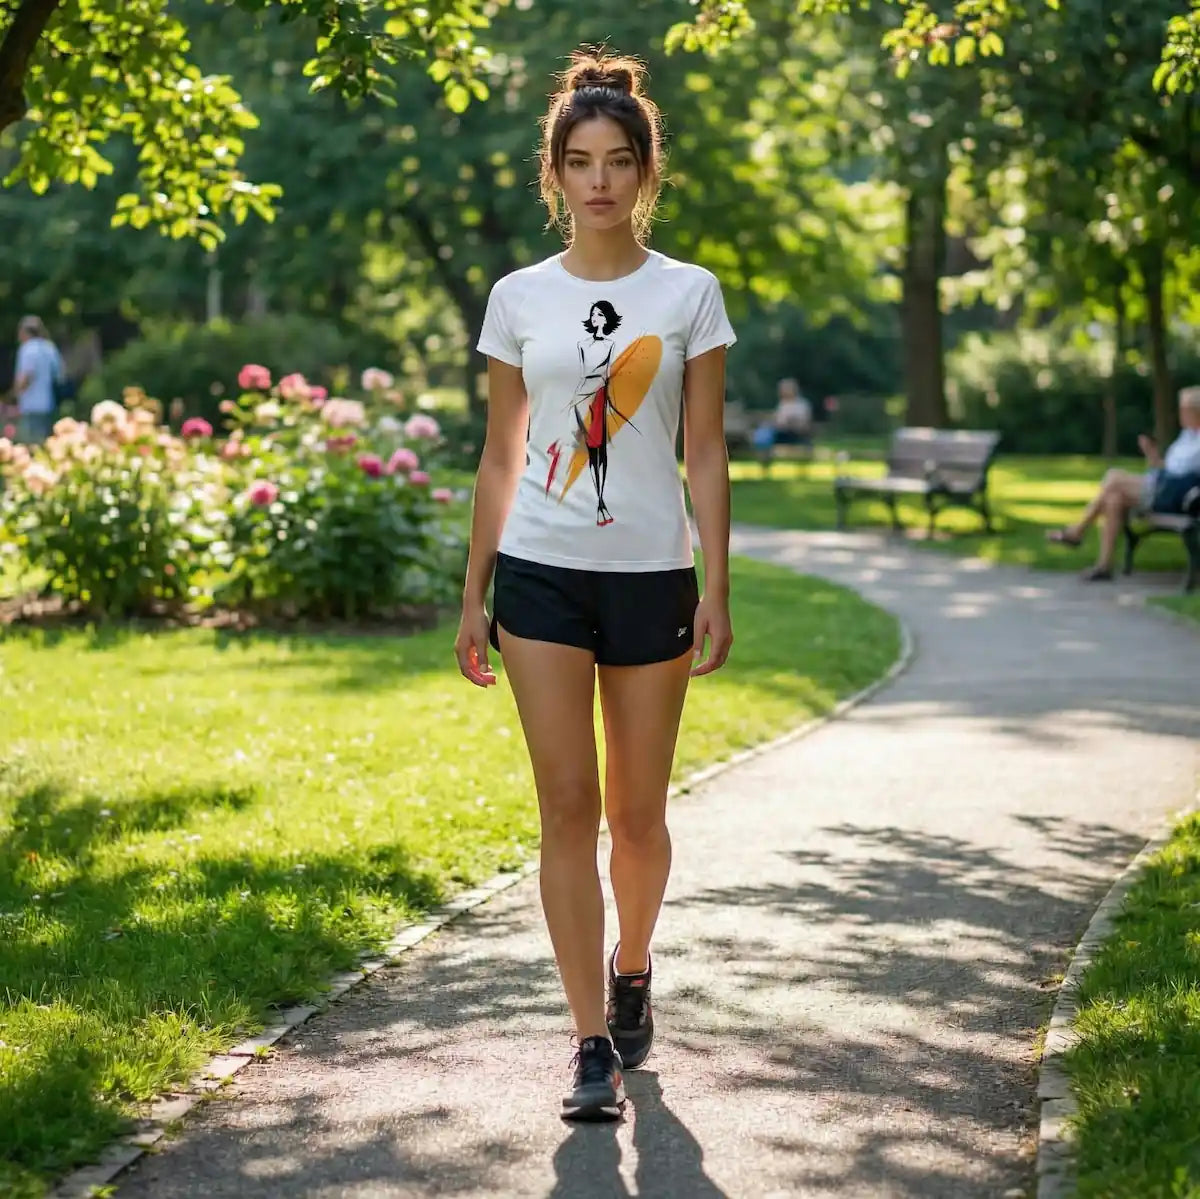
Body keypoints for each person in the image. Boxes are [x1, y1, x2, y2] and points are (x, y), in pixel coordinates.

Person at [454, 49, 736, 1122]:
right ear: (555, 176)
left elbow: (704, 450)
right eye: (580, 162)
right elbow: (498, 452)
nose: (601, 180)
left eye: (620, 161)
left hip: (651, 575)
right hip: (539, 574)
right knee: (566, 804)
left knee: (638, 814)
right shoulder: (517, 297)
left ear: (646, 172)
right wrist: (473, 588)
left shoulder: (690, 293)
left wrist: (715, 578)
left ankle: (632, 963)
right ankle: (586, 1042)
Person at [1047, 385, 1200, 580]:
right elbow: (1168, 467)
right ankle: (1104, 567)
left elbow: (1182, 475)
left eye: (1185, 409)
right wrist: (1151, 454)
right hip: (1162, 487)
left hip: (1177, 497)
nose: (1181, 414)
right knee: (1114, 499)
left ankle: (1077, 531)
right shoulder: (1187, 436)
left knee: (1114, 477)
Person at [11, 315, 64, 444]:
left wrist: (14, 396)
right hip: (49, 403)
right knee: (47, 443)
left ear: (24, 332)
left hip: (30, 405)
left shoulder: (27, 349)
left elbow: (26, 377)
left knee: (32, 444)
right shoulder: (49, 348)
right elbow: (59, 375)